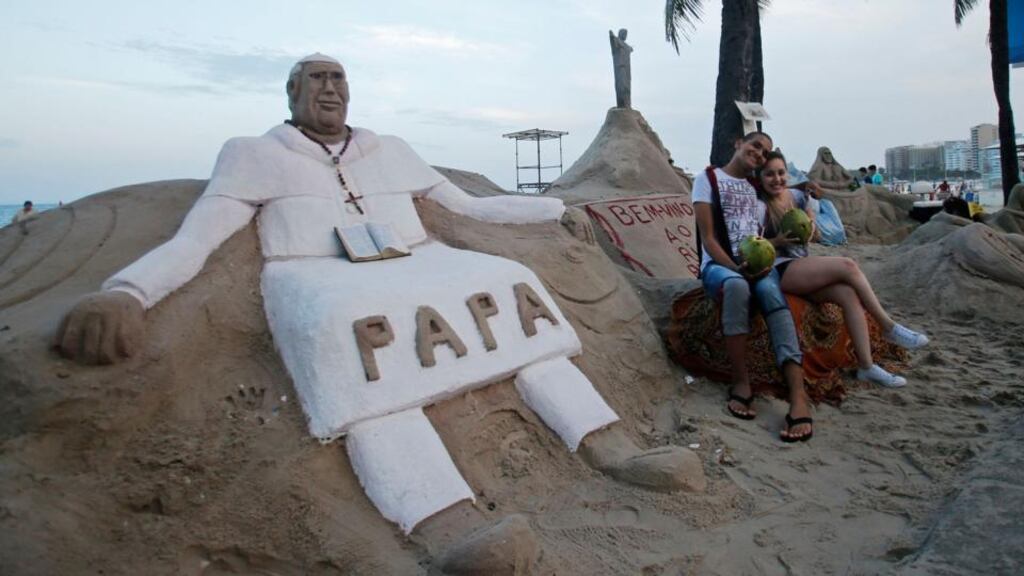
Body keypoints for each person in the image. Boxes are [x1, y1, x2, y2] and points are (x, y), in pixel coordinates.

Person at [53, 53, 699, 566]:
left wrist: (555, 210)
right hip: (314, 276)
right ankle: (445, 522)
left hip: (417, 259)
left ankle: (610, 448)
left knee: (506, 278)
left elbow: (468, 209)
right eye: (315, 80)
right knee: (348, 328)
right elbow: (198, 235)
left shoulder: (388, 148)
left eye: (338, 78)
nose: (329, 90)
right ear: (291, 94)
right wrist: (129, 292)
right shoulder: (254, 155)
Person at [756, 151, 928, 388]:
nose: (776, 179)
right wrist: (778, 242)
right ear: (760, 178)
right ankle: (888, 326)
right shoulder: (758, 206)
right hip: (780, 269)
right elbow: (753, 245)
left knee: (848, 295)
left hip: (800, 266)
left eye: (780, 172)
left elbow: (814, 236)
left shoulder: (797, 196)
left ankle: (866, 367)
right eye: (769, 174)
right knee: (848, 265)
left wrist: (811, 224)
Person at [692, 131, 813, 443]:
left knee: (772, 294)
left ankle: (798, 396)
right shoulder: (708, 179)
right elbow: (708, 238)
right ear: (738, 143)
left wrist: (807, 189)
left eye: (765, 153)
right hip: (719, 266)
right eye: (755, 146)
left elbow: (786, 189)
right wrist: (736, 269)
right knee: (736, 287)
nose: (760, 154)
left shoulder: (756, 188)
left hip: (759, 265)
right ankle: (741, 381)